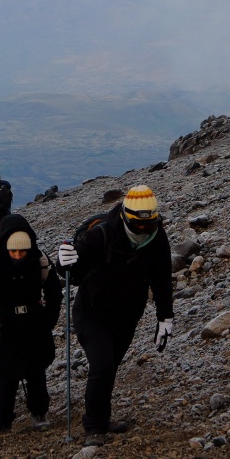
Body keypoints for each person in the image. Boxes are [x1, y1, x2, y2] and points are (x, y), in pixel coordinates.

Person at [57, 184, 174, 442]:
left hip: (126, 317)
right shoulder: (102, 235)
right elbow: (73, 274)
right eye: (138, 225)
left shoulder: (158, 238)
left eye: (149, 225)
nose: (143, 231)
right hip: (91, 313)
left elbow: (162, 279)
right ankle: (94, 428)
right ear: (125, 216)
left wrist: (165, 317)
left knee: (109, 367)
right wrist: (61, 261)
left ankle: (101, 418)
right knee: (102, 366)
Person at [0, 214, 63, 431]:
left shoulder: (40, 261)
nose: (18, 256)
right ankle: (4, 421)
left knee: (35, 371)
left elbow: (55, 293)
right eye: (13, 251)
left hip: (32, 324)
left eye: (22, 251)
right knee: (6, 374)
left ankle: (38, 412)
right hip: (6, 325)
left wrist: (48, 321)